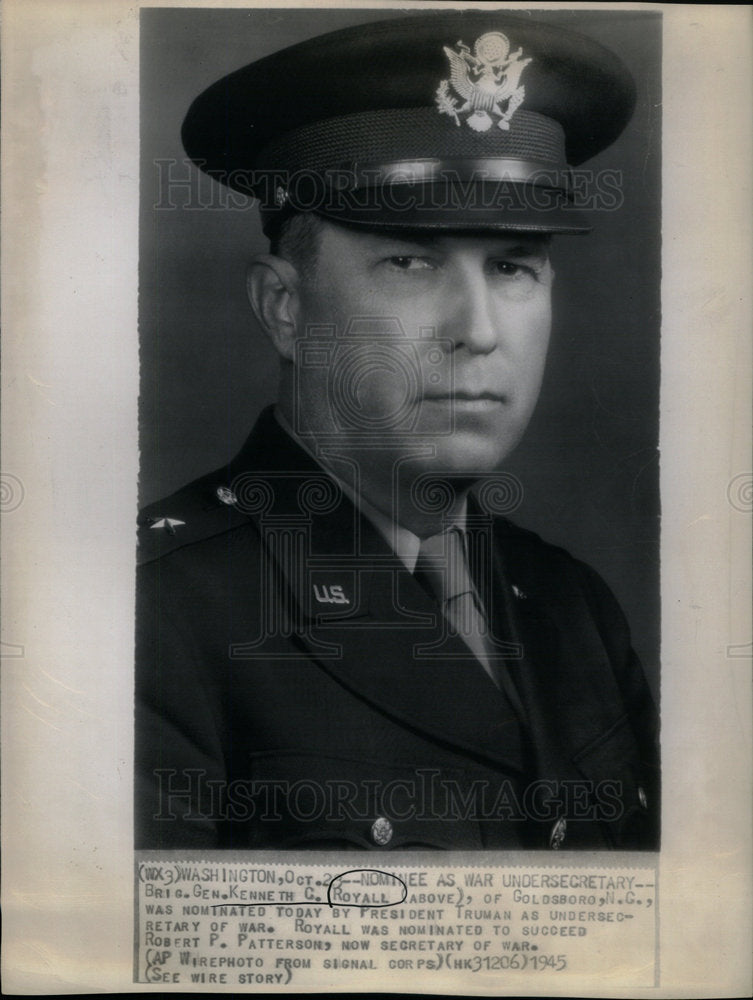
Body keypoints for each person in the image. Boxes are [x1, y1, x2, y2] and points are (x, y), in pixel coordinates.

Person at [135, 11, 659, 851]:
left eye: (512, 266)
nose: (478, 330)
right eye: (410, 262)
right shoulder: (150, 615)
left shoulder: (572, 607)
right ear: (284, 307)